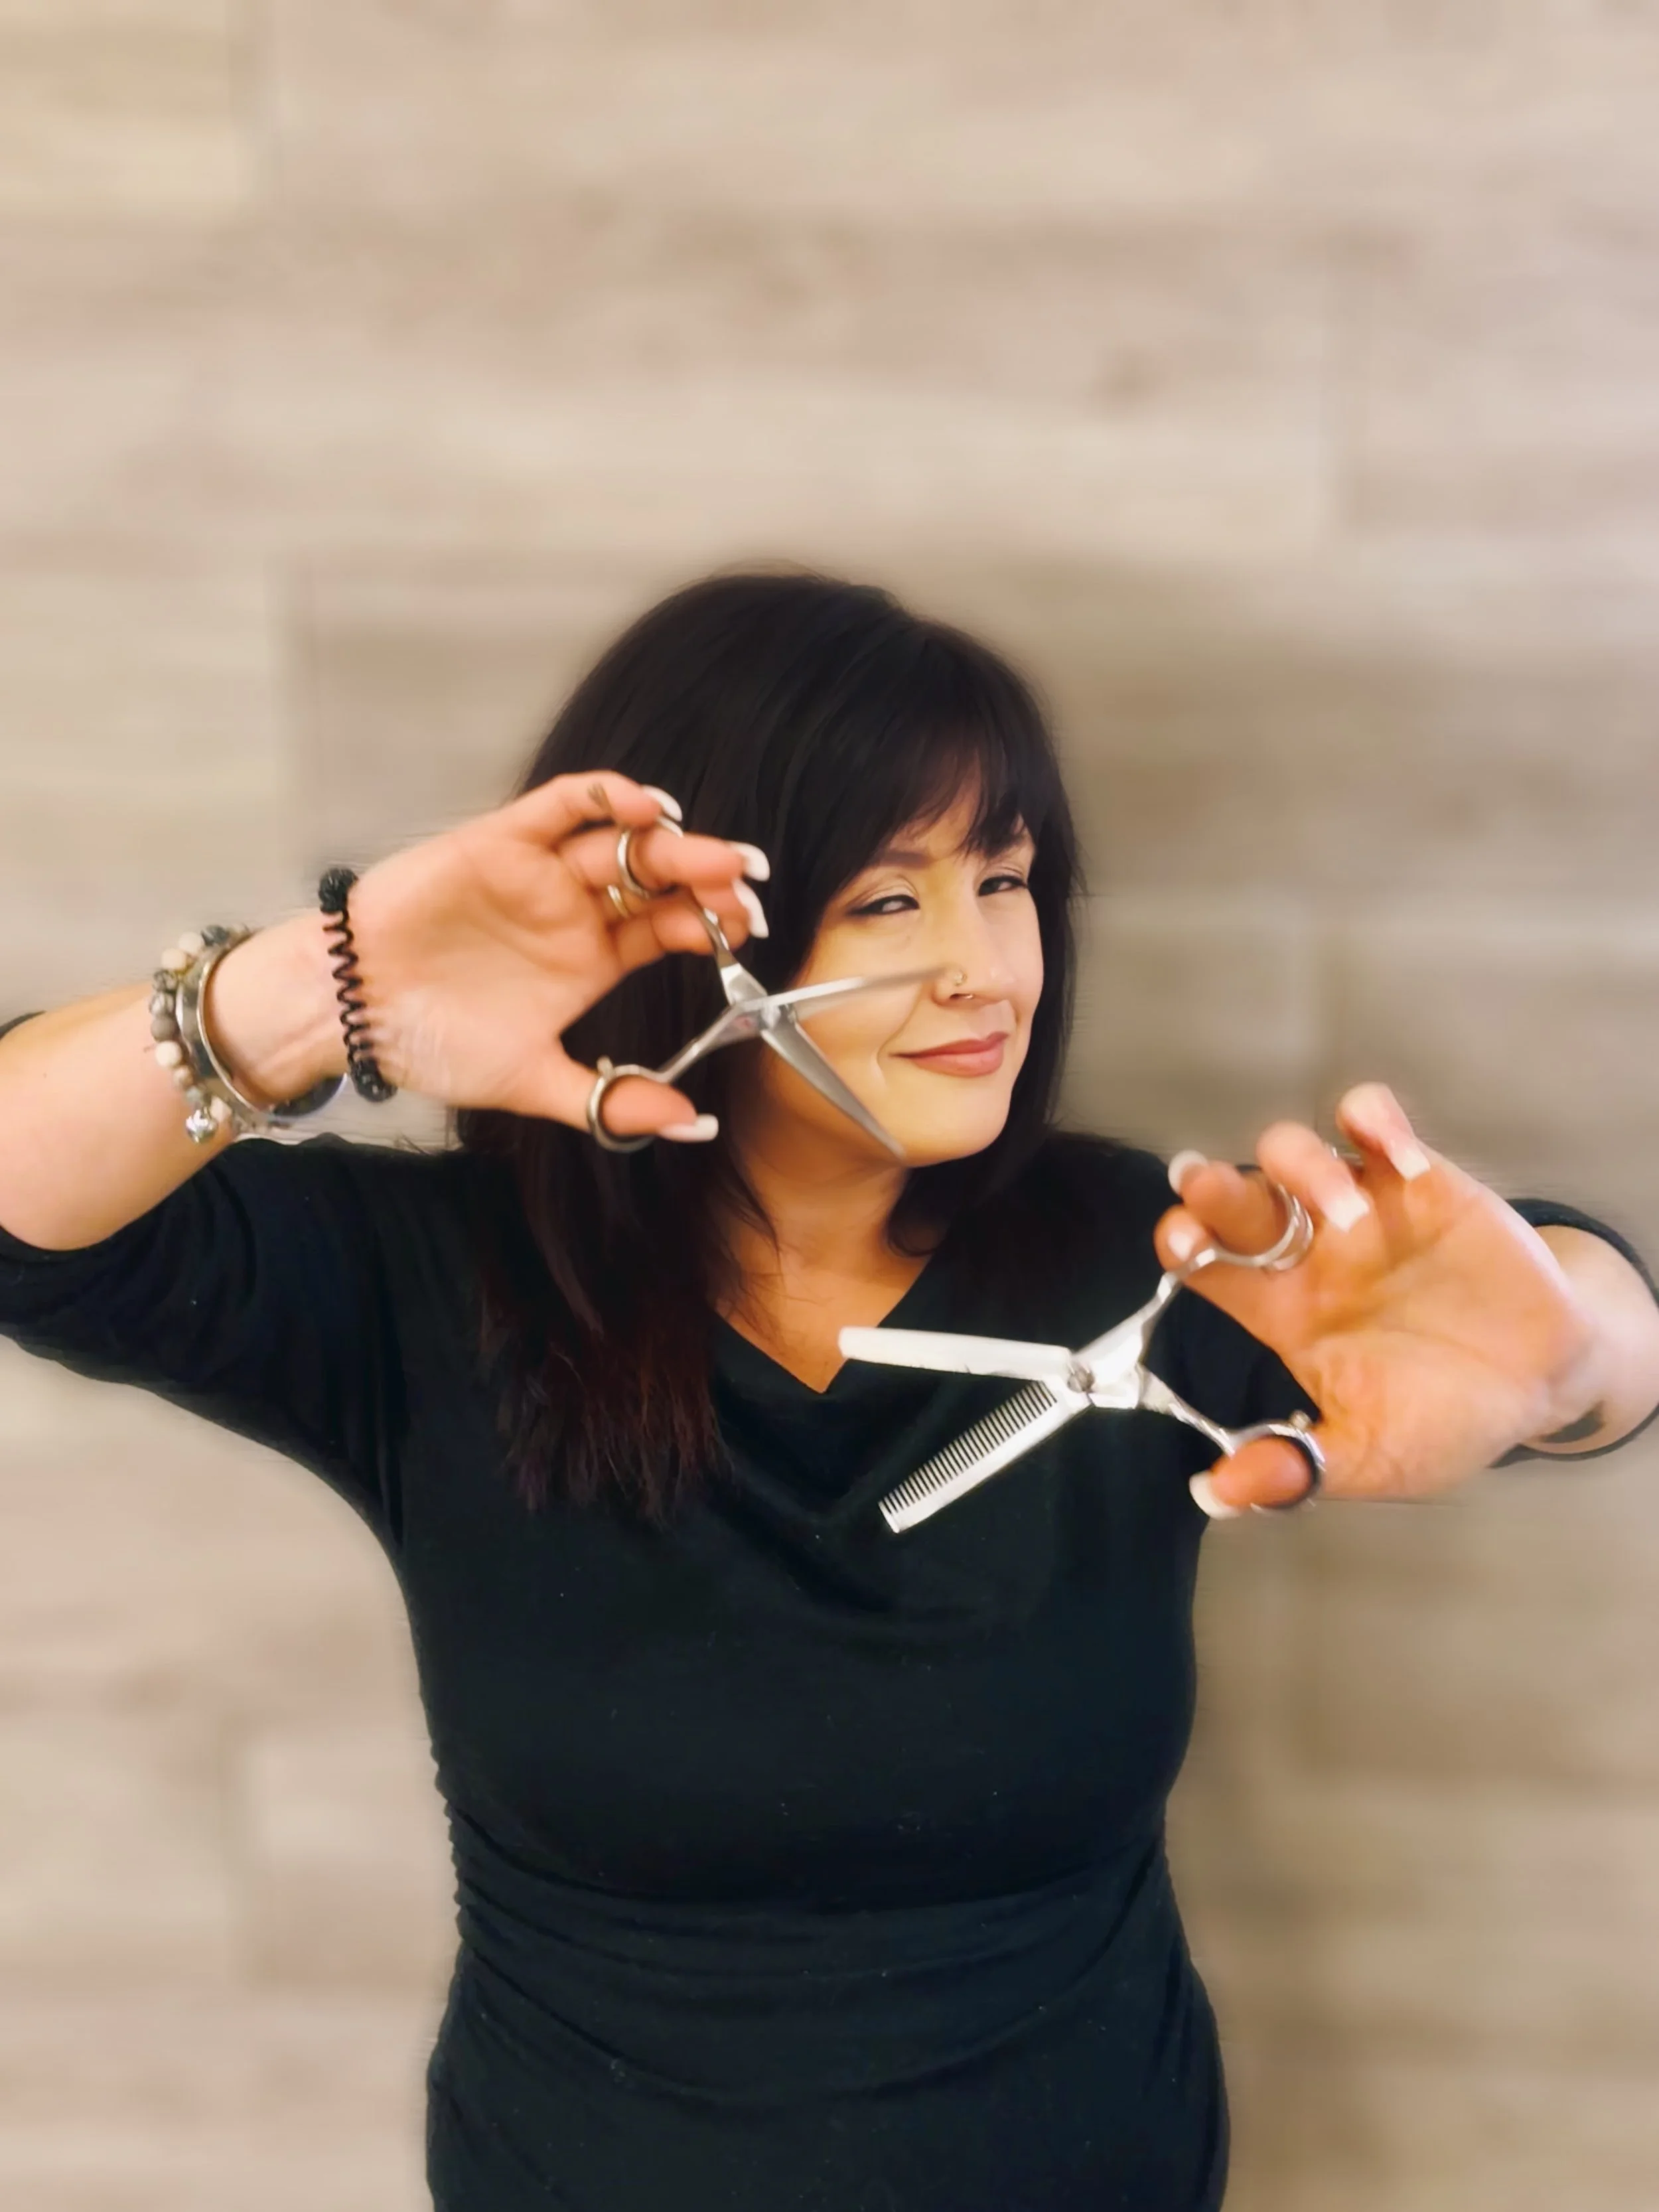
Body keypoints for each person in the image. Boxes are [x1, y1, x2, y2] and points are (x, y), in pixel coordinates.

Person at [1, 569, 1657, 2212]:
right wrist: (322, 986)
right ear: (682, 938)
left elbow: (1573, 1331)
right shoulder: (437, 1287)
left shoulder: (1146, 1255)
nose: (983, 970)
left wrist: (1572, 1353)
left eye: (1003, 881)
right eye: (886, 901)